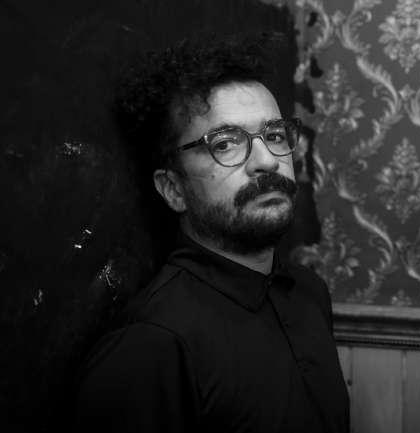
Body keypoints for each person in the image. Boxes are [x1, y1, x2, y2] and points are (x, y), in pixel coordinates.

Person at [76, 35, 349, 432]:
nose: (266, 161)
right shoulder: (152, 345)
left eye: (274, 136)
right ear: (173, 189)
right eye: (225, 144)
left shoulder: (309, 293)